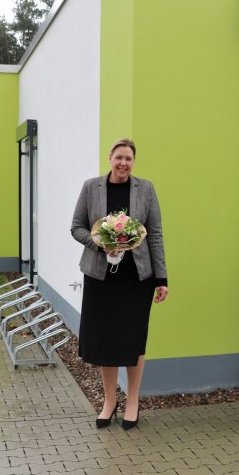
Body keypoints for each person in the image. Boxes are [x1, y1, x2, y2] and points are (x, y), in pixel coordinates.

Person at [71, 138, 168, 430]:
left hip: (137, 279)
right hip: (100, 277)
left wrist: (162, 278)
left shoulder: (146, 189)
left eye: (129, 158)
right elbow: (76, 227)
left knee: (133, 341)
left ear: (133, 162)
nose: (123, 163)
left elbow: (154, 234)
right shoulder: (91, 187)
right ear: (110, 158)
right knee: (105, 341)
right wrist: (101, 243)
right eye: (119, 157)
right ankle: (109, 401)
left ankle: (134, 400)